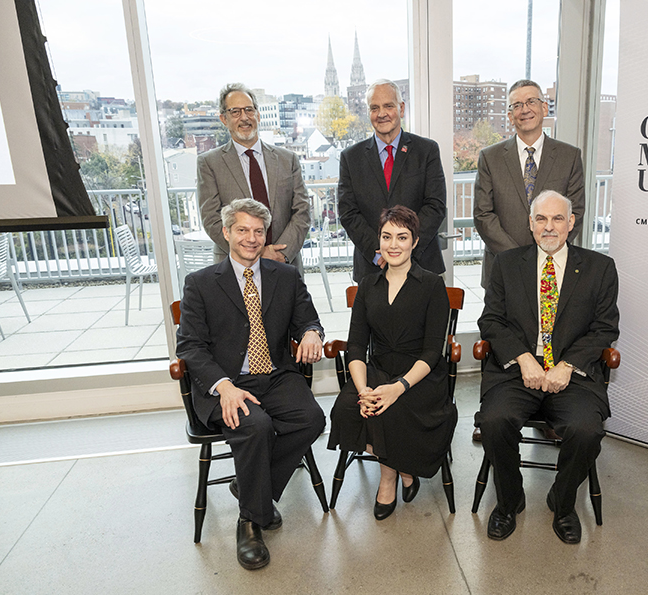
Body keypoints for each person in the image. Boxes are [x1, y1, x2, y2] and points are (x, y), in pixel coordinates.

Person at [177, 198, 325, 570]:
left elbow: (308, 320)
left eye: (259, 231)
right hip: (228, 381)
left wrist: (310, 333)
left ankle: (250, 490)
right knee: (256, 426)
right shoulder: (201, 284)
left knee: (312, 419)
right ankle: (251, 522)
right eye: (242, 229)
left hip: (275, 375)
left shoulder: (286, 276)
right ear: (226, 232)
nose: (251, 238)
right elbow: (190, 347)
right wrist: (222, 385)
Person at [475, 190, 619, 544]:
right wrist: (523, 357)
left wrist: (567, 365)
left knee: (586, 430)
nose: (549, 227)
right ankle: (509, 501)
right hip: (517, 369)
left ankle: (564, 501)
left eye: (557, 219)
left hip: (573, 372)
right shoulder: (507, 264)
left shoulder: (600, 268)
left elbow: (605, 328)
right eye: (541, 219)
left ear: (571, 223)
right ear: (530, 224)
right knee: (494, 422)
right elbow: (491, 321)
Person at [327, 205, 457, 519]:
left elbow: (431, 353)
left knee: (391, 409)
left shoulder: (431, 285)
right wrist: (363, 390)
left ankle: (388, 478)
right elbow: (356, 346)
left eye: (402, 237)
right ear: (379, 241)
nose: (393, 244)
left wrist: (396, 388)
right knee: (344, 410)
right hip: (377, 369)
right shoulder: (368, 287)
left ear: (414, 241)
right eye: (387, 236)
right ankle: (404, 469)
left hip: (420, 376)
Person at [473, 79, 585, 289]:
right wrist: (517, 258)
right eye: (517, 105)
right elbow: (482, 214)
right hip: (502, 267)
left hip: (552, 266)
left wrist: (544, 252)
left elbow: (575, 212)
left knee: (549, 322)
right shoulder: (490, 157)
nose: (525, 109)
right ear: (509, 116)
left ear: (544, 107)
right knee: (498, 323)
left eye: (531, 101)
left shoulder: (569, 156)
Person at [338, 79, 446, 283]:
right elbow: (348, 212)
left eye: (388, 106)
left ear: (401, 108)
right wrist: (380, 252)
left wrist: (405, 249)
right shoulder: (351, 157)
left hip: (421, 263)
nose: (381, 114)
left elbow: (435, 205)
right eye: (374, 108)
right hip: (373, 267)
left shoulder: (427, 151)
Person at [197, 83, 311, 269]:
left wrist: (281, 253)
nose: (244, 118)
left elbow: (302, 210)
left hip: (284, 262)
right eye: (235, 112)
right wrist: (256, 253)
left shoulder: (287, 159)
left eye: (249, 110)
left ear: (258, 115)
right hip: (235, 266)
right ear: (223, 119)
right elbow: (211, 218)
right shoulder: (209, 163)